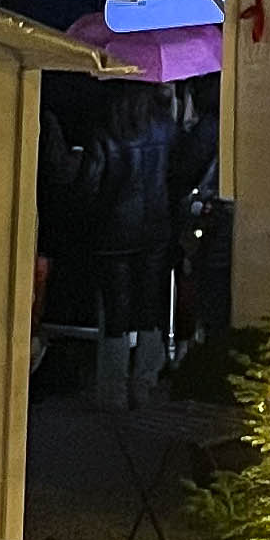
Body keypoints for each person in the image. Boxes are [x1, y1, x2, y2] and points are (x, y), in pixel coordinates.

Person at [75, 84, 180, 411]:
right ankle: (145, 383)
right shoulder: (164, 125)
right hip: (155, 228)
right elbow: (176, 172)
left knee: (115, 313)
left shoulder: (105, 131)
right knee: (150, 308)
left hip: (113, 232)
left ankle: (113, 390)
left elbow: (89, 184)